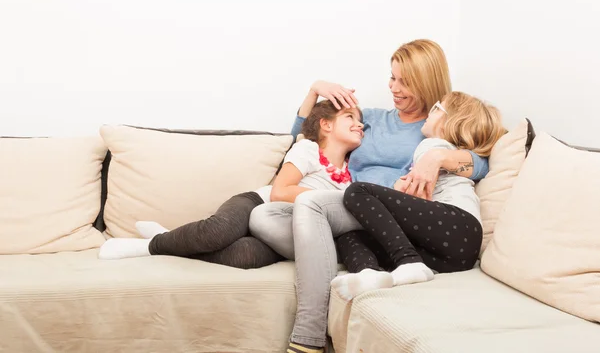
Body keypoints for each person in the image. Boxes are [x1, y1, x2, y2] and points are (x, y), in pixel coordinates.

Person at [283, 39, 490, 353]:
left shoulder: (438, 130)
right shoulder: (371, 119)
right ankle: (371, 278)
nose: (393, 87)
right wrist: (314, 92)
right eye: (392, 77)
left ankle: (308, 337)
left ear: (425, 82)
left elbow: (480, 163)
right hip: (358, 212)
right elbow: (305, 136)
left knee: (311, 203)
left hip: (389, 214)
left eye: (404, 81)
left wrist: (437, 160)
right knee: (267, 216)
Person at [97, 100, 364, 269]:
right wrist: (324, 202)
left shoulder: (352, 176)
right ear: (326, 125)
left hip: (282, 233)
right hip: (259, 203)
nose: (359, 124)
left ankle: (168, 239)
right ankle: (150, 246)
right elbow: (281, 191)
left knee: (246, 257)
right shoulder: (307, 149)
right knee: (217, 233)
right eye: (350, 117)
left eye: (360, 120)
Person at [331, 91, 505, 301]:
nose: (430, 112)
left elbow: (419, 193)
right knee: (349, 236)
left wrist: (398, 187)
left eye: (436, 108)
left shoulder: (432, 146)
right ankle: (368, 274)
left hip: (458, 224)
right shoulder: (446, 152)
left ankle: (408, 261)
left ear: (450, 120)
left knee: (357, 191)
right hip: (452, 254)